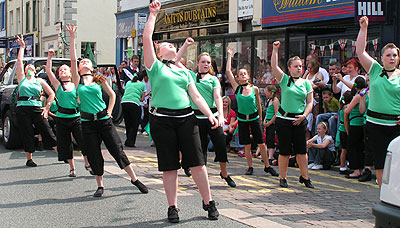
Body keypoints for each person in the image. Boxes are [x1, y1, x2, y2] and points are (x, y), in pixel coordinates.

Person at [143, 0, 219, 222]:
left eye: (172, 45)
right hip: (161, 119)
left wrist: (210, 114)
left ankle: (208, 202)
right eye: (165, 45)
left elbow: (195, 97)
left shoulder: (185, 72)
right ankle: (173, 207)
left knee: (197, 163)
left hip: (186, 118)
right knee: (170, 166)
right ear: (158, 51)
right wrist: (153, 14)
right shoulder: (155, 66)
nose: (170, 46)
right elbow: (147, 38)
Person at [67, 24, 148, 197]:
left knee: (117, 150)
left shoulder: (99, 79)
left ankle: (134, 179)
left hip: (103, 120)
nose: (83, 62)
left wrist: (110, 112)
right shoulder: (77, 80)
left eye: (86, 61)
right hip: (88, 122)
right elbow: (73, 60)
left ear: (91, 65)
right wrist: (73, 38)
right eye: (82, 62)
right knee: (94, 154)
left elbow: (112, 95)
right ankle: (100, 185)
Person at [178, 44, 236, 188]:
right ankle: (197, 173)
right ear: (197, 63)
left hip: (212, 117)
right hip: (195, 118)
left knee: (221, 144)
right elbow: (175, 60)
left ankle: (224, 173)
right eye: (203, 62)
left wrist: (221, 116)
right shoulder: (190, 75)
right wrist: (185, 45)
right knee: (199, 148)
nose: (206, 64)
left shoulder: (213, 79)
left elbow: (217, 97)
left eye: (208, 62)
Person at [356, 16, 400, 187]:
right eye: (388, 55)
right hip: (376, 124)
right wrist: (364, 28)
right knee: (381, 162)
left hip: (395, 125)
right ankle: (384, 197)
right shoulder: (375, 70)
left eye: (394, 55)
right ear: (381, 58)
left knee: (396, 163)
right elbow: (360, 52)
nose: (391, 58)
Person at [226, 46, 279, 177]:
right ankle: (250, 166)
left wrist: (260, 119)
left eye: (245, 73)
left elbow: (259, 105)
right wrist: (229, 55)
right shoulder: (237, 88)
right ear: (238, 77)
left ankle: (267, 166)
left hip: (254, 118)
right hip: (243, 119)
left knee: (261, 143)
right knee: (247, 145)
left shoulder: (254, 88)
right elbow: (228, 71)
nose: (243, 75)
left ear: (248, 76)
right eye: (240, 74)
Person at [271, 41, 314, 188]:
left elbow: (310, 102)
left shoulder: (306, 83)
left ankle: (305, 177)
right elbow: (274, 67)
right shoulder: (285, 80)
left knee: (302, 151)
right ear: (289, 68)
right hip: (284, 119)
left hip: (299, 119)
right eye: (296, 66)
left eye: (300, 66)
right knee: (284, 151)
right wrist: (275, 50)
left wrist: (304, 115)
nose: (299, 68)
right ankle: (283, 177)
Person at [46, 48, 92, 177]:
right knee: (66, 145)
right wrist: (49, 57)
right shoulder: (57, 85)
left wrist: (72, 39)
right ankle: (72, 168)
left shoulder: (75, 83)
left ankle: (87, 163)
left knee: (83, 141)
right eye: (60, 70)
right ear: (59, 75)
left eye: (65, 69)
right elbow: (48, 71)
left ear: (71, 73)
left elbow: (73, 60)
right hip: (62, 118)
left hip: (75, 117)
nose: (62, 71)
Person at [15, 35, 57, 167]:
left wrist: (47, 108)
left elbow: (51, 94)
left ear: (35, 71)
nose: (28, 69)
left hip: (36, 107)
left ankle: (62, 154)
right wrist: (22, 47)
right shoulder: (22, 79)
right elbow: (19, 61)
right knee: (27, 133)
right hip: (22, 108)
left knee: (46, 130)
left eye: (31, 68)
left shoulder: (39, 81)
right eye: (27, 68)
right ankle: (29, 159)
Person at [343, 77, 368, 179]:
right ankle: (361, 169)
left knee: (352, 147)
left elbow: (347, 111)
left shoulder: (358, 96)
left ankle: (356, 170)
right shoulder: (367, 93)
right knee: (360, 148)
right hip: (362, 123)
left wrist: (347, 107)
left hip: (354, 123)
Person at [120, 71, 146, 147]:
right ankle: (130, 142)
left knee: (128, 123)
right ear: (142, 78)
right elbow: (142, 99)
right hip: (134, 103)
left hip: (124, 102)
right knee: (134, 124)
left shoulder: (128, 83)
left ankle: (128, 140)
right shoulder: (142, 84)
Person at [337, 91, 353, 174]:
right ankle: (343, 166)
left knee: (344, 149)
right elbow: (346, 121)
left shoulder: (342, 107)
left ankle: (342, 166)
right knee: (345, 149)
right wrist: (348, 132)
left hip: (341, 129)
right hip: (344, 129)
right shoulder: (346, 108)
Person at [263, 85, 279, 163]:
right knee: (268, 139)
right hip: (268, 121)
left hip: (272, 123)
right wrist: (265, 120)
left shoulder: (275, 101)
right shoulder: (269, 100)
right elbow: (267, 112)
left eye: (266, 92)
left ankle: (271, 157)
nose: (265, 93)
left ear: (270, 92)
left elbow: (276, 113)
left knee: (271, 139)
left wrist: (269, 122)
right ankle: (268, 156)